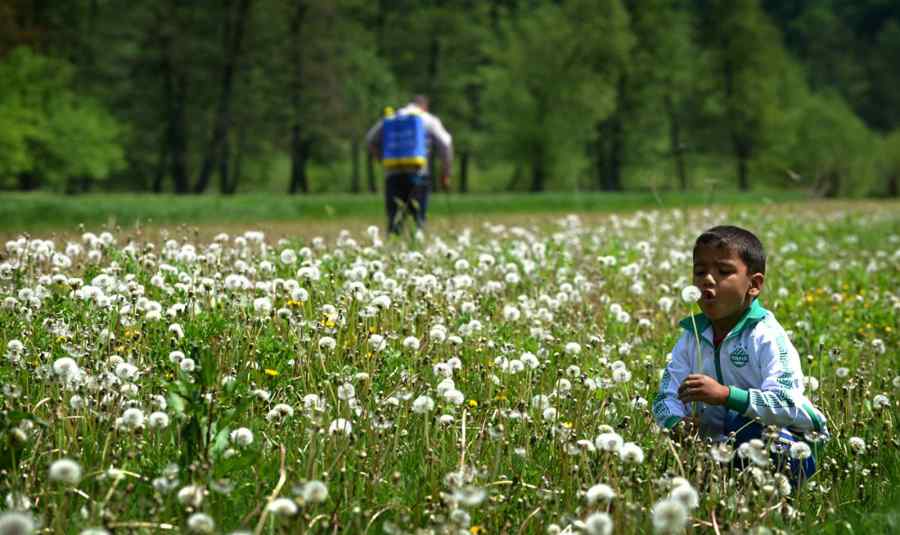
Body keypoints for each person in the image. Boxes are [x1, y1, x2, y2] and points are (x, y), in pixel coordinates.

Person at [653, 225, 828, 483]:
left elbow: (786, 402)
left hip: (790, 442)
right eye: (700, 272)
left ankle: (782, 488)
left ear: (754, 285)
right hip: (720, 446)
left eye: (723, 272)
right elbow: (665, 396)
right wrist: (676, 423)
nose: (707, 279)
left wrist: (726, 395)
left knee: (747, 428)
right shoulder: (691, 337)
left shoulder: (766, 336)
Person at [366, 95, 453, 235]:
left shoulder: (392, 118)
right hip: (418, 174)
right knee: (418, 221)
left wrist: (382, 159)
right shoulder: (428, 119)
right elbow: (446, 144)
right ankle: (417, 243)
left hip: (392, 174)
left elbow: (370, 140)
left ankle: (393, 245)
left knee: (394, 222)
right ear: (425, 107)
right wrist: (446, 173)